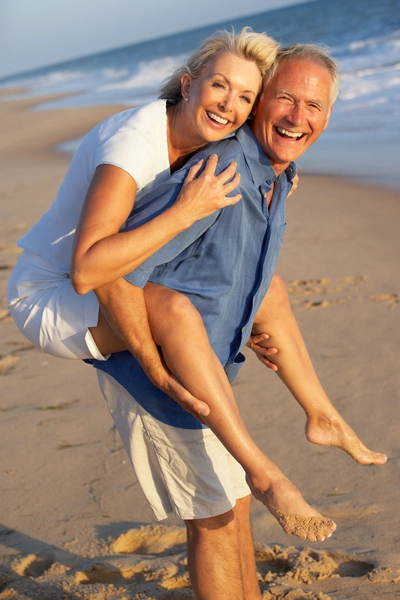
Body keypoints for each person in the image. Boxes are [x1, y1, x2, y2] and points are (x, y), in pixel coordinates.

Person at [91, 45, 386, 599]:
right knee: (215, 522)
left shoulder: (276, 175)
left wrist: (243, 317)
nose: (299, 117)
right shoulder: (221, 172)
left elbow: (221, 271)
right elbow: (118, 273)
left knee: (235, 510)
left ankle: (320, 417)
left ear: (327, 117)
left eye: (314, 106)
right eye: (286, 100)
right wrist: (158, 367)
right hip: (161, 380)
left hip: (207, 374)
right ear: (257, 107)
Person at [7, 27, 280, 416]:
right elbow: (86, 271)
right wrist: (183, 211)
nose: (228, 104)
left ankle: (321, 414)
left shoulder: (208, 137)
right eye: (219, 85)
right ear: (188, 85)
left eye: (245, 97)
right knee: (179, 310)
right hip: (51, 295)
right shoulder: (134, 142)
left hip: (102, 275)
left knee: (266, 288)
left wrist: (284, 171)